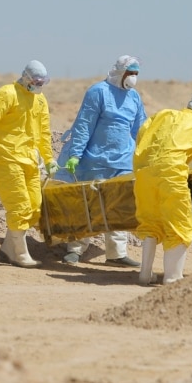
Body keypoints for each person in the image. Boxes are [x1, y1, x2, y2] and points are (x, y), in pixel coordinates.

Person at [56, 55, 147, 267]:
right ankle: (75, 250)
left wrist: (143, 156)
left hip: (123, 162)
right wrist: (75, 154)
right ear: (120, 72)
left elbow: (140, 129)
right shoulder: (98, 92)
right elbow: (84, 125)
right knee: (87, 207)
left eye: (136, 74)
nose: (133, 78)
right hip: (94, 161)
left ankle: (116, 254)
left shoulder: (134, 97)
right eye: (130, 73)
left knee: (119, 208)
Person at [0, 60, 58, 268]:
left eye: (42, 82)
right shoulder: (8, 93)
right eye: (36, 81)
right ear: (26, 78)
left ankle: (8, 248)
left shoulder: (40, 100)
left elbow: (43, 132)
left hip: (29, 159)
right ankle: (19, 254)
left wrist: (49, 158)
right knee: (19, 206)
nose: (39, 85)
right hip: (6, 157)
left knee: (34, 208)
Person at [134, 90, 192, 285]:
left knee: (151, 222)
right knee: (178, 225)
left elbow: (142, 134)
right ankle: (173, 278)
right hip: (171, 176)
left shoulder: (164, 114)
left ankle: (145, 275)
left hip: (144, 174)